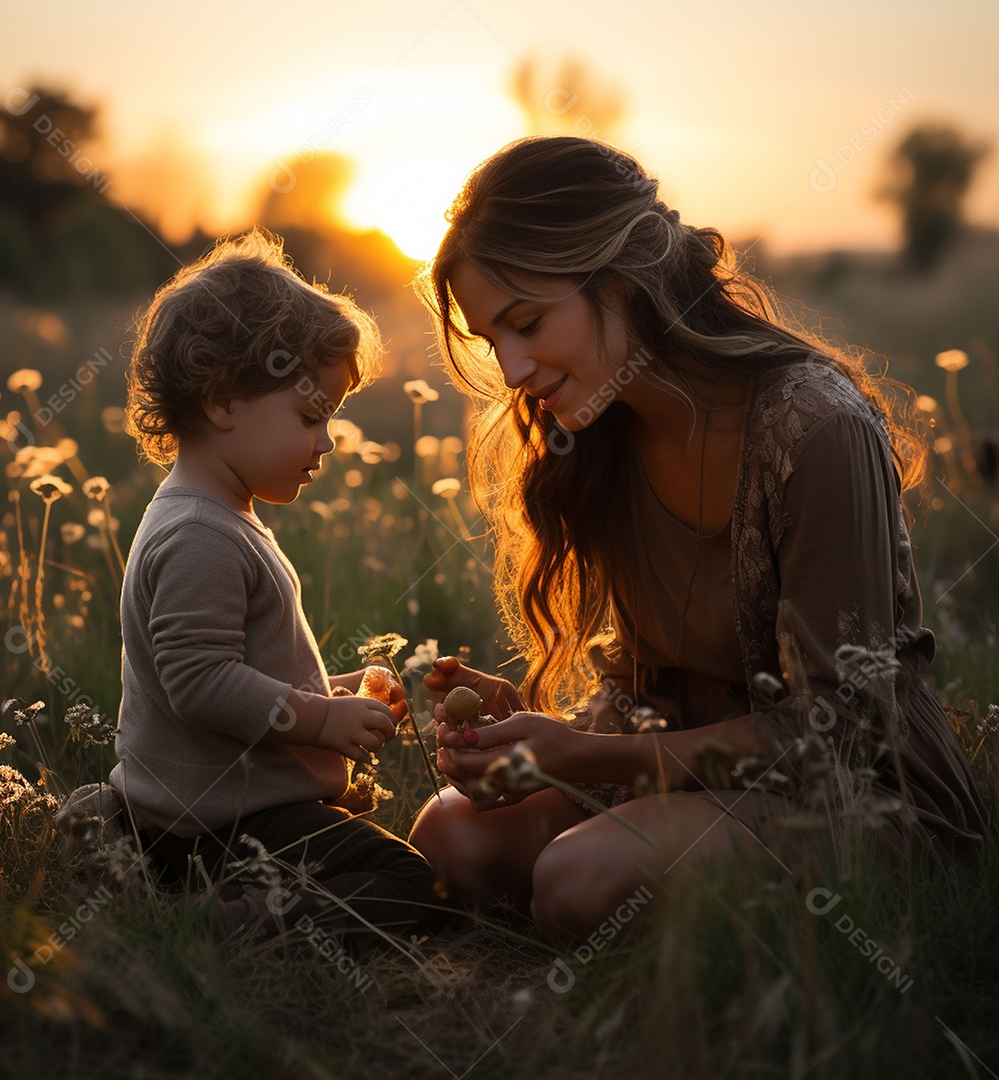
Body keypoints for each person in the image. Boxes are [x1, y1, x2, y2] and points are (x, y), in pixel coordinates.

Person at [407, 136, 988, 941]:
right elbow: (654, 691)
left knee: (579, 880)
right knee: (450, 837)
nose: (510, 369)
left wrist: (580, 759)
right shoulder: (599, 434)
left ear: (623, 279)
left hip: (850, 796)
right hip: (683, 775)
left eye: (528, 323)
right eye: (491, 339)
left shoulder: (816, 432)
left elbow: (834, 737)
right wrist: (541, 732)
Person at [110, 228, 441, 942]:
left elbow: (237, 670)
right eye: (309, 416)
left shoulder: (208, 516)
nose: (326, 442)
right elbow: (199, 680)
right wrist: (321, 723)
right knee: (417, 883)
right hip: (227, 823)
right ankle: (232, 924)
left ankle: (128, 847)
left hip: (193, 812)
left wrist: (335, 694)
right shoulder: (200, 535)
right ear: (225, 401)